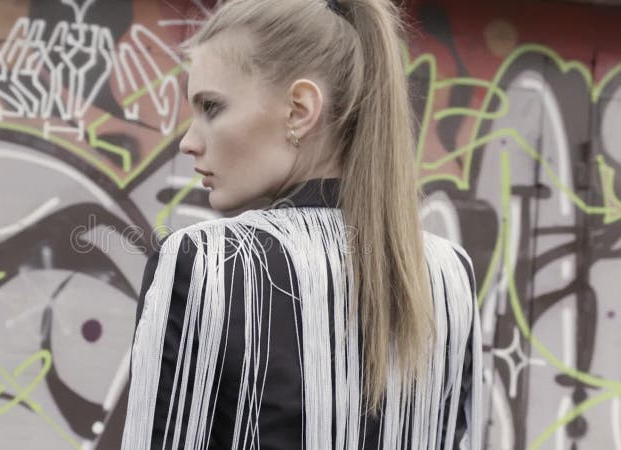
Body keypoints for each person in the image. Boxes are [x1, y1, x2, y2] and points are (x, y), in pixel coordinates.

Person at [121, 0, 482, 449]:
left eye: (211, 107)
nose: (189, 142)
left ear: (299, 109)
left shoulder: (207, 263)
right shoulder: (450, 276)